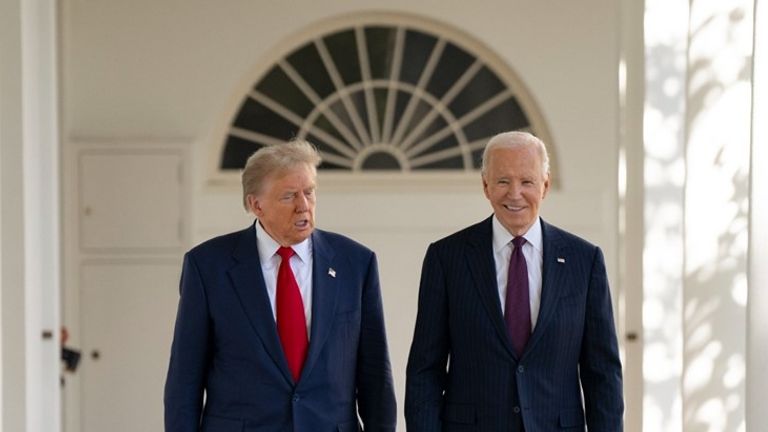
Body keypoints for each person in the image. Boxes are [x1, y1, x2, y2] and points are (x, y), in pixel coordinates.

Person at [164, 139, 397, 432]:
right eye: (289, 196)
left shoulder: (356, 263)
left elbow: (376, 375)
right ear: (256, 204)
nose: (303, 206)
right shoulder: (208, 266)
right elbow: (184, 379)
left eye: (309, 192)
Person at [405, 131, 623, 431]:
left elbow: (603, 375)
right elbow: (424, 370)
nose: (515, 193)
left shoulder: (585, 261)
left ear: (545, 185)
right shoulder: (446, 258)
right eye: (503, 181)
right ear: (486, 186)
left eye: (527, 181)